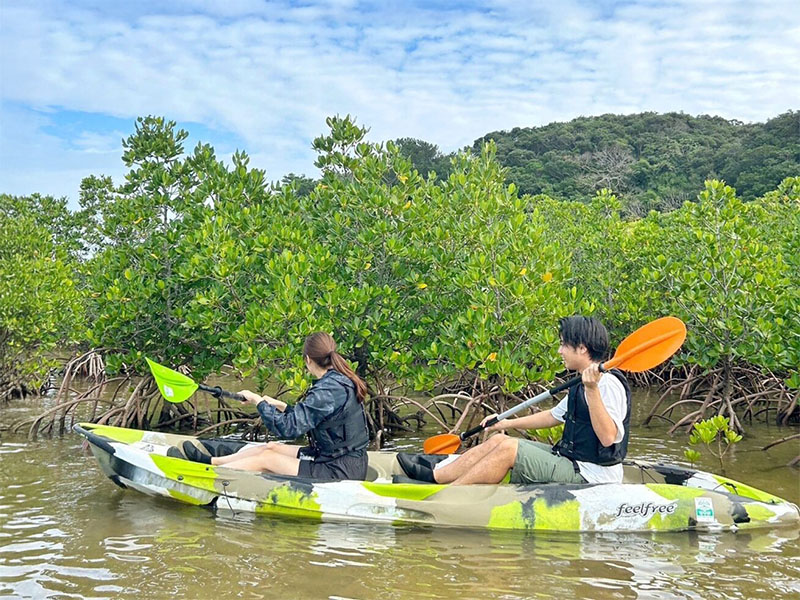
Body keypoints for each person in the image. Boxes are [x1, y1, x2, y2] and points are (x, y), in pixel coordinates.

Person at [428, 316, 631, 486]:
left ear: (582, 348)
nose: (560, 351)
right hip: (571, 460)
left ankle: (449, 494)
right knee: (500, 440)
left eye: (563, 344)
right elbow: (553, 416)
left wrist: (592, 389)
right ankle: (436, 477)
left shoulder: (607, 385)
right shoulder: (582, 381)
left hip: (593, 476)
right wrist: (506, 423)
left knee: (509, 450)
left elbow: (608, 438)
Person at [182, 332, 370, 481]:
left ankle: (204, 475)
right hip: (335, 458)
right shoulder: (339, 380)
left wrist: (259, 402)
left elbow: (288, 429)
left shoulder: (327, 390)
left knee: (267, 460)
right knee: (270, 447)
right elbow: (316, 418)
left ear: (308, 360)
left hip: (338, 469)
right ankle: (210, 462)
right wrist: (280, 405)